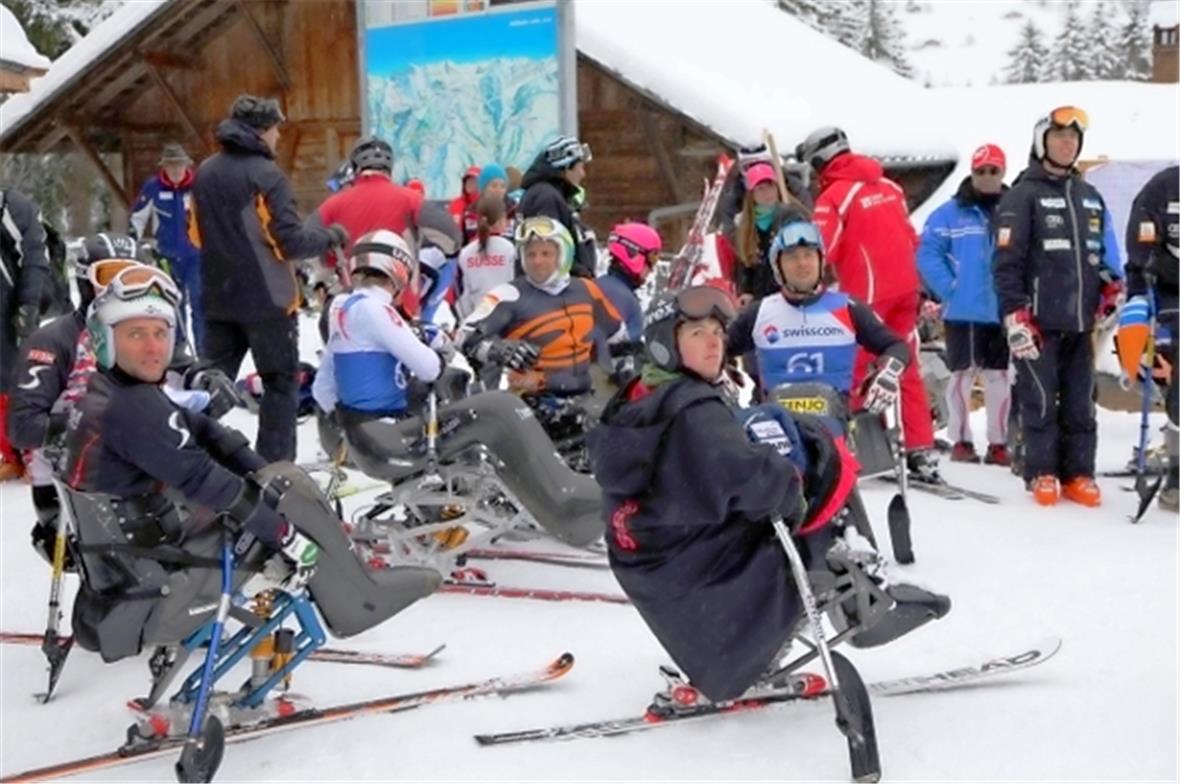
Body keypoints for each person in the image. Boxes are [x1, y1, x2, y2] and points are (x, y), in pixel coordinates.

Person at [585, 285, 949, 705]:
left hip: (647, 550)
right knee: (814, 486)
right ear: (667, 345)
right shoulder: (695, 411)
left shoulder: (642, 393)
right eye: (697, 334)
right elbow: (757, 481)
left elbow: (711, 463)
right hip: (693, 565)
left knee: (790, 455)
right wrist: (797, 480)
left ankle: (861, 578)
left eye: (717, 334)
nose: (714, 343)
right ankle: (854, 604)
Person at [63, 265, 318, 587]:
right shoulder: (131, 408)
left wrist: (256, 467)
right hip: (150, 561)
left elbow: (192, 424)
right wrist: (285, 534)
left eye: (160, 333)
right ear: (105, 340)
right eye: (136, 334)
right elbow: (204, 480)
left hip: (119, 550)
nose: (154, 348)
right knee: (259, 528)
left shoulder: (111, 388)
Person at [10, 243, 240, 564]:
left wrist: (205, 379)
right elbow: (22, 428)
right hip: (77, 491)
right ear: (85, 283)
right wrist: (92, 426)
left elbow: (181, 365)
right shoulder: (54, 340)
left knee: (229, 503)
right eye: (113, 276)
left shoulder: (141, 324)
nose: (129, 288)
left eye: (136, 274)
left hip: (146, 465)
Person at [190, 94, 347, 462]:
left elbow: (194, 235)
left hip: (217, 299)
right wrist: (331, 236)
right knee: (279, 387)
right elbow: (289, 242)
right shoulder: (266, 175)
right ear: (261, 130)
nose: (278, 135)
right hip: (269, 303)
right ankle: (276, 474)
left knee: (210, 388)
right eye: (276, 128)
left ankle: (189, 461)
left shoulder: (206, 172)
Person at [994, 106, 1123, 507]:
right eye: (1058, 137)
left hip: (1082, 322)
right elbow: (1005, 263)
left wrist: (1109, 287)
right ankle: (1042, 471)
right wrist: (1015, 312)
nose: (1067, 144)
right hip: (1037, 322)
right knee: (1040, 399)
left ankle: (1079, 472)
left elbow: (1099, 255)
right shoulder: (1022, 195)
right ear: (1041, 143)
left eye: (1073, 139)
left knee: (1082, 400)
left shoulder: (1088, 196)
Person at [798, 126, 940, 482]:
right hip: (907, 289)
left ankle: (857, 445)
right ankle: (921, 449)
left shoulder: (834, 198)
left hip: (868, 296)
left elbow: (820, 251)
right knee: (903, 366)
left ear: (819, 161)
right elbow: (910, 235)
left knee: (855, 367)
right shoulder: (889, 186)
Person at [728, 219, 910, 412]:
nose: (802, 264)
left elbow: (896, 346)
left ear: (821, 261)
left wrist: (888, 373)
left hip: (833, 424)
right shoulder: (760, 312)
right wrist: (719, 373)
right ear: (777, 266)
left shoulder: (848, 308)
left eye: (809, 255)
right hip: (777, 425)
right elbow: (719, 346)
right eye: (792, 257)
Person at [917, 143, 1012, 466]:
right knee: (962, 377)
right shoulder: (948, 213)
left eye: (993, 171)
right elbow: (928, 253)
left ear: (1003, 173)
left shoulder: (1014, 209)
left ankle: (999, 443)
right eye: (981, 171)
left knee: (999, 377)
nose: (987, 177)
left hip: (1002, 308)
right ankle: (961, 440)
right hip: (964, 310)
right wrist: (950, 288)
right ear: (971, 173)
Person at [460, 216, 623, 398]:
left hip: (584, 399)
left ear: (563, 255)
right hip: (531, 402)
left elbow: (618, 335)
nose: (537, 261)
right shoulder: (507, 293)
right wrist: (497, 349)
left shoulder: (587, 288)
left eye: (546, 254)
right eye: (531, 254)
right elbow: (463, 336)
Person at [312, 230, 446, 420]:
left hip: (354, 425)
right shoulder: (377, 309)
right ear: (398, 270)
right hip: (387, 424)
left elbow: (322, 388)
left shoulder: (341, 308)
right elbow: (429, 369)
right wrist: (441, 358)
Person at [1123, 164, 1179, 511]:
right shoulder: (1164, 187)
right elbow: (1139, 253)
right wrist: (1140, 298)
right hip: (1171, 296)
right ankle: (1177, 468)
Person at [130, 143, 204, 352]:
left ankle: (203, 352)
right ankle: (178, 351)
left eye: (179, 166)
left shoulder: (199, 187)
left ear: (186, 166)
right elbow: (138, 217)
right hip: (167, 258)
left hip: (196, 256)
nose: (175, 171)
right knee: (173, 306)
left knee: (200, 304)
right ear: (164, 167)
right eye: (171, 166)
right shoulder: (153, 188)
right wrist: (134, 243)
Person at [0, 187, 49, 481]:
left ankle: (33, 453)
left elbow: (33, 255)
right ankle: (11, 454)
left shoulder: (11, 204)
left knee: (20, 382)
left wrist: (28, 304)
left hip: (9, 307)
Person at [517, 135, 596, 278]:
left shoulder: (549, 194)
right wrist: (580, 274)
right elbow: (548, 249)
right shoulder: (546, 198)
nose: (583, 174)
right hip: (552, 294)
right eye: (580, 167)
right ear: (566, 167)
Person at [596, 221, 661, 343]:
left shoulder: (601, 286)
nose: (651, 269)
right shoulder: (619, 296)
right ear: (633, 252)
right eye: (652, 258)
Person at [455, 195, 516, 320]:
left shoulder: (465, 253)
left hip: (473, 319)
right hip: (505, 318)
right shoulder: (509, 249)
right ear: (500, 221)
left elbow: (462, 292)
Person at [460, 163, 515, 245]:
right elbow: (465, 241)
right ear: (483, 188)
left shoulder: (513, 209)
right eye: (494, 186)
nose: (498, 190)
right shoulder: (471, 212)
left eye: (502, 186)